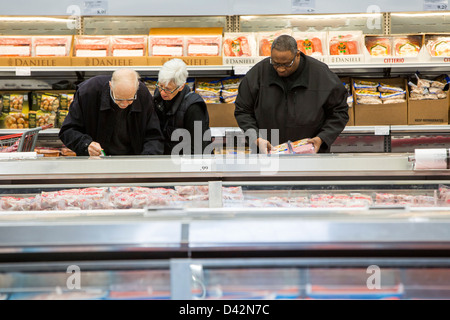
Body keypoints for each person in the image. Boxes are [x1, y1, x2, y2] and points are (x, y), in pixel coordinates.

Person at [234, 34, 349, 153]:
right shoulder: (257, 74)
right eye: (275, 63)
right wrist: (256, 138)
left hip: (310, 155)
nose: (281, 69)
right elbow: (243, 110)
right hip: (268, 155)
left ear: (297, 55)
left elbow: (339, 112)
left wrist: (322, 138)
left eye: (286, 64)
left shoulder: (321, 75)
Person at [59, 68, 164, 156]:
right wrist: (86, 144)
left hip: (133, 161)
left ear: (136, 89)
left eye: (130, 99)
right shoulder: (88, 93)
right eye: (119, 99)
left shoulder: (143, 95)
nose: (124, 104)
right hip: (94, 163)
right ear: (110, 86)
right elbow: (67, 131)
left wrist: (146, 160)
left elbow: (154, 136)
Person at [153, 58, 211, 155]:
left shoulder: (194, 108)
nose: (162, 92)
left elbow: (198, 148)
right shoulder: (157, 97)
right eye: (160, 86)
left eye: (168, 89)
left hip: (185, 162)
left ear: (181, 87)